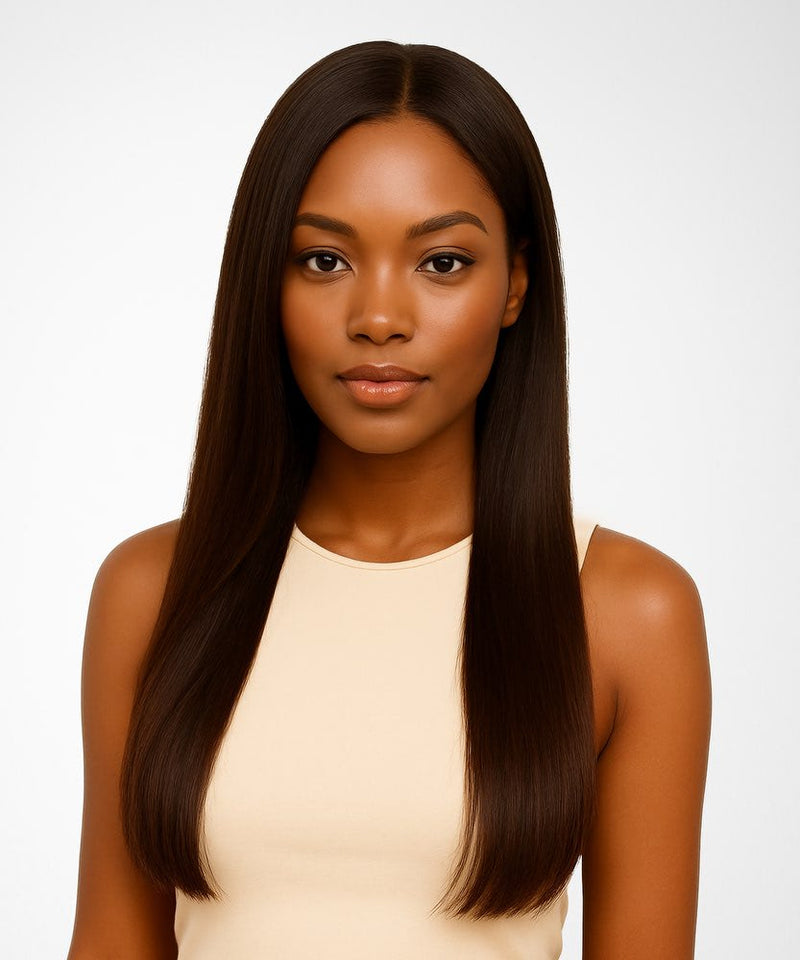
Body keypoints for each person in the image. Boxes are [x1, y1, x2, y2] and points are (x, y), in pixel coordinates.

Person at [66, 40, 711, 960]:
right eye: (324, 260)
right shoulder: (151, 592)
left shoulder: (627, 614)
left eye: (441, 263)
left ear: (516, 284)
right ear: (268, 280)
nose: (378, 316)